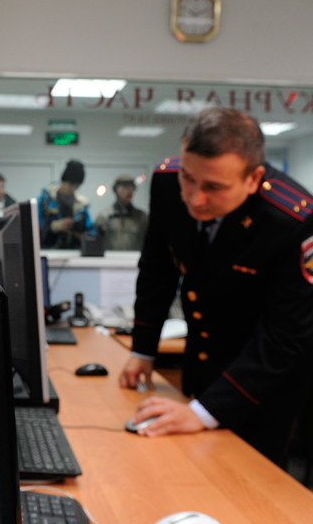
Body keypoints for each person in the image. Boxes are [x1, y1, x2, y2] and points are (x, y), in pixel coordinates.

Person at [119, 107, 313, 465]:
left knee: (249, 480)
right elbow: (158, 268)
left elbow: (283, 337)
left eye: (213, 187)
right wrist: (143, 349)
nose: (195, 198)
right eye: (188, 178)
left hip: (263, 382)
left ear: (253, 179)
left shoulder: (293, 220)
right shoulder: (167, 183)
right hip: (201, 360)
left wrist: (203, 412)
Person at [38, 159, 94, 249]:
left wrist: (82, 234)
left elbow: (90, 230)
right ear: (63, 180)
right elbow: (35, 228)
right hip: (50, 251)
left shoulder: (81, 206)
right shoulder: (44, 201)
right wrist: (54, 226)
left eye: (77, 186)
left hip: (74, 252)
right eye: (71, 184)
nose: (73, 189)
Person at [94, 174, 148, 251]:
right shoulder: (104, 217)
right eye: (125, 187)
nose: (129, 191)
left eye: (132, 187)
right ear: (116, 190)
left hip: (134, 257)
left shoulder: (142, 217)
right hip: (110, 258)